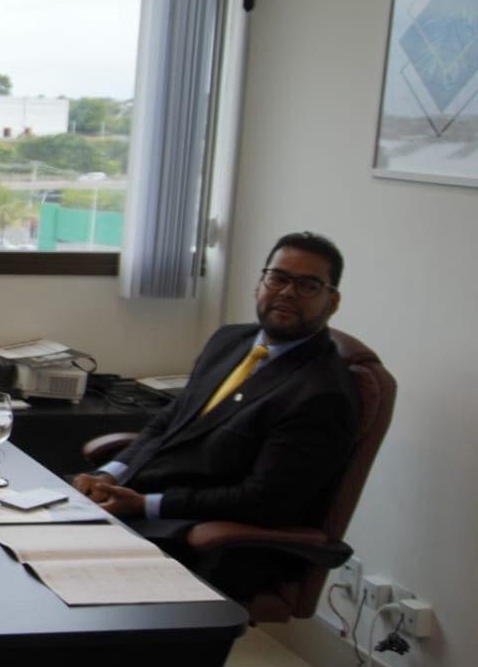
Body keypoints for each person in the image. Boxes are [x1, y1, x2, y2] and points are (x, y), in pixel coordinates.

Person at [72, 231, 359, 597]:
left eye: (308, 285)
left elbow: (263, 502)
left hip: (200, 537)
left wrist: (146, 505)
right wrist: (108, 473)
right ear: (259, 284)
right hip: (136, 499)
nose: (288, 292)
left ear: (332, 301)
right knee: (18, 526)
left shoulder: (322, 393)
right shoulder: (230, 340)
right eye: (278, 278)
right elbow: (170, 421)